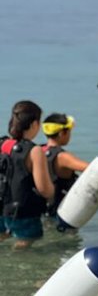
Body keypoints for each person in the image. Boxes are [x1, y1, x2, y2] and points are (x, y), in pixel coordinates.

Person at [0, 101, 55, 250]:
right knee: (26, 244)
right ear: (34, 124)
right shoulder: (35, 151)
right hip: (24, 213)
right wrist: (53, 191)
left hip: (2, 208)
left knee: (3, 236)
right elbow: (44, 189)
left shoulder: (3, 144)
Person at [41, 113, 89, 217]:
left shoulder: (39, 151)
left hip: (42, 209)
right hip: (61, 212)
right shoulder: (63, 157)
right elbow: (91, 169)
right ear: (62, 133)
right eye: (69, 132)